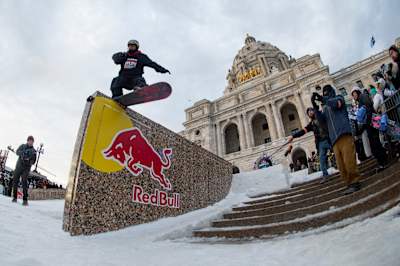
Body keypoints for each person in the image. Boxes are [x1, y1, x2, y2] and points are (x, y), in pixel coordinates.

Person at [314, 85, 361, 194]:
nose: (325, 94)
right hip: (334, 138)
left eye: (327, 92)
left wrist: (323, 99)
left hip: (344, 133)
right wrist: (315, 108)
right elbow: (322, 122)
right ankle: (349, 183)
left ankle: (355, 182)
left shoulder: (339, 98)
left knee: (349, 160)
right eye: (324, 93)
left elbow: (336, 104)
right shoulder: (325, 107)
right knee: (340, 165)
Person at [288, 107, 331, 182]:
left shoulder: (321, 116)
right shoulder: (311, 124)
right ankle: (325, 175)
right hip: (320, 142)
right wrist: (293, 136)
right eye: (308, 112)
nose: (310, 112)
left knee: (337, 153)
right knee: (321, 159)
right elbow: (302, 132)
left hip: (329, 139)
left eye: (311, 111)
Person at [352, 86, 386, 170]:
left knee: (375, 142)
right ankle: (381, 161)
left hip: (371, 123)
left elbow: (369, 107)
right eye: (352, 95)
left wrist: (367, 120)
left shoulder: (363, 96)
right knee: (374, 143)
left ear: (357, 92)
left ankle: (382, 162)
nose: (353, 96)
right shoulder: (360, 100)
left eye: (354, 94)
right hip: (369, 123)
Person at [12, 136, 37, 205]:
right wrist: (23, 153)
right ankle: (14, 197)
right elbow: (17, 152)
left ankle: (25, 200)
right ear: (27, 141)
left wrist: (28, 160)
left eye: (32, 141)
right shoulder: (22, 146)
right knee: (15, 181)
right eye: (30, 141)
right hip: (19, 166)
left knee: (24, 182)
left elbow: (33, 161)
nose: (31, 142)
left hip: (26, 168)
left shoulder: (34, 151)